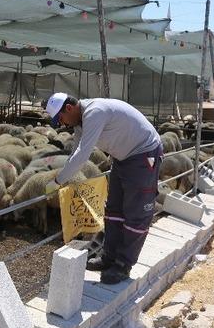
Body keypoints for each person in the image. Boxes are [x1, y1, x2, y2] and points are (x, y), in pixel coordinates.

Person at [43, 93, 163, 284]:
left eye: (61, 118)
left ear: (69, 108)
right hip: (122, 157)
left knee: (136, 212)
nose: (63, 123)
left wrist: (58, 181)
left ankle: (123, 264)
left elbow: (82, 155)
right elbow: (75, 151)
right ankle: (109, 257)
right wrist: (61, 176)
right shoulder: (80, 122)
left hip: (143, 154)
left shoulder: (94, 113)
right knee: (113, 209)